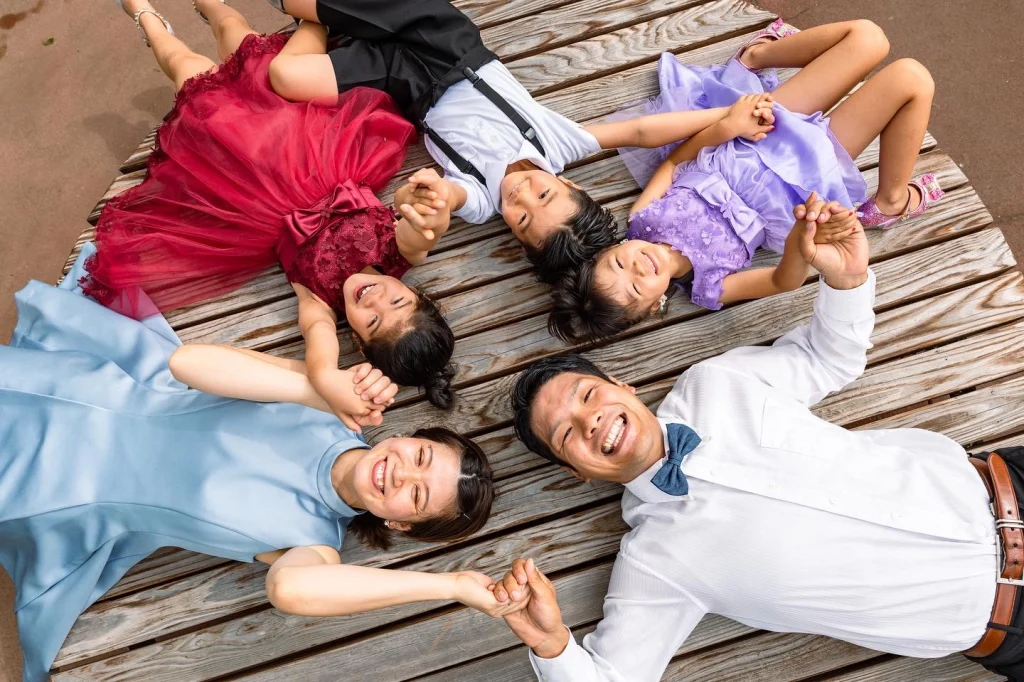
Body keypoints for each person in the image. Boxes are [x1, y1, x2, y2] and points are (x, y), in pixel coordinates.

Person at [499, 195, 1013, 680]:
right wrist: (552, 645)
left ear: (621, 385)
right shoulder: (654, 564)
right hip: (1008, 622)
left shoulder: (715, 383)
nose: (590, 420)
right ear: (577, 472)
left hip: (1002, 480)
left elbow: (825, 358)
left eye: (588, 395)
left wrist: (847, 280)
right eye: (567, 433)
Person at [0, 245, 508, 682]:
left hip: (64, 495)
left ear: (399, 523)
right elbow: (186, 364)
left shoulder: (314, 543)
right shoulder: (325, 407)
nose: (401, 473)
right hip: (77, 399)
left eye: (416, 494)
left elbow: (288, 590)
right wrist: (320, 390)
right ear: (405, 436)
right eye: (420, 456)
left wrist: (450, 586)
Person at [94, 0, 457, 407]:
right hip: (310, 146)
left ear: (356, 340)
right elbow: (420, 225)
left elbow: (319, 359)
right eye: (397, 302)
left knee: (187, 67)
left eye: (373, 321)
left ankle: (147, 19)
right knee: (240, 39)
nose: (375, 300)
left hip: (247, 182)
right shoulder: (399, 252)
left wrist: (328, 380)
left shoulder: (319, 305)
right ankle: (212, 5)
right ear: (417, 293)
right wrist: (428, 205)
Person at [259, 0, 774, 282]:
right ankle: (318, 12)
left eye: (522, 219)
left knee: (286, 76)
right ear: (568, 184)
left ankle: (319, 22)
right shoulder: (557, 147)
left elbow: (452, 197)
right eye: (544, 194)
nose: (521, 196)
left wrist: (436, 198)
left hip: (406, 83)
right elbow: (639, 132)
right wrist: (725, 117)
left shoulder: (483, 200)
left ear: (513, 233)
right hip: (446, 44)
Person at [548, 20, 943, 342]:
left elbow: (674, 162)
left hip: (758, 133)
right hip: (805, 178)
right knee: (913, 78)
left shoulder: (642, 220)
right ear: (654, 306)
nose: (637, 268)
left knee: (869, 37)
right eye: (636, 289)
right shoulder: (709, 287)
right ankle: (890, 203)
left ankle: (756, 56)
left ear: (613, 247)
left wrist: (726, 128)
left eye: (619, 263)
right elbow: (781, 281)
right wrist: (802, 239)